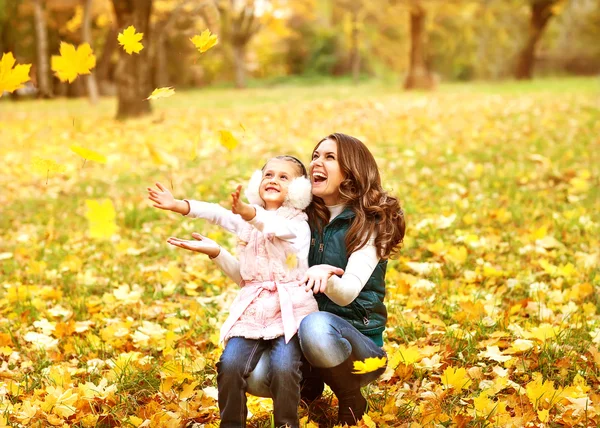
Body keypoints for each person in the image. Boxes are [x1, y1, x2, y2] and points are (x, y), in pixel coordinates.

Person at [171, 134, 406, 426]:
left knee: (315, 327)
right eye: (316, 156)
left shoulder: (368, 223)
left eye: (329, 157)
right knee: (255, 376)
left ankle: (349, 395)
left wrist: (324, 275)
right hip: (296, 335)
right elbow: (256, 280)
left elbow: (346, 294)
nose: (317, 162)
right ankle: (309, 385)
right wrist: (217, 252)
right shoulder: (301, 217)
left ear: (352, 170)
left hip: (355, 347)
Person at [147, 155, 318, 428]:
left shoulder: (299, 223)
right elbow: (218, 214)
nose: (273, 179)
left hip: (290, 311)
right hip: (252, 310)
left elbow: (277, 229)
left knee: (284, 368)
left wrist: (248, 213)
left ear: (299, 189)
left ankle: (287, 423)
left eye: (283, 177)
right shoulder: (246, 218)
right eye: (268, 175)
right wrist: (179, 205)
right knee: (230, 364)